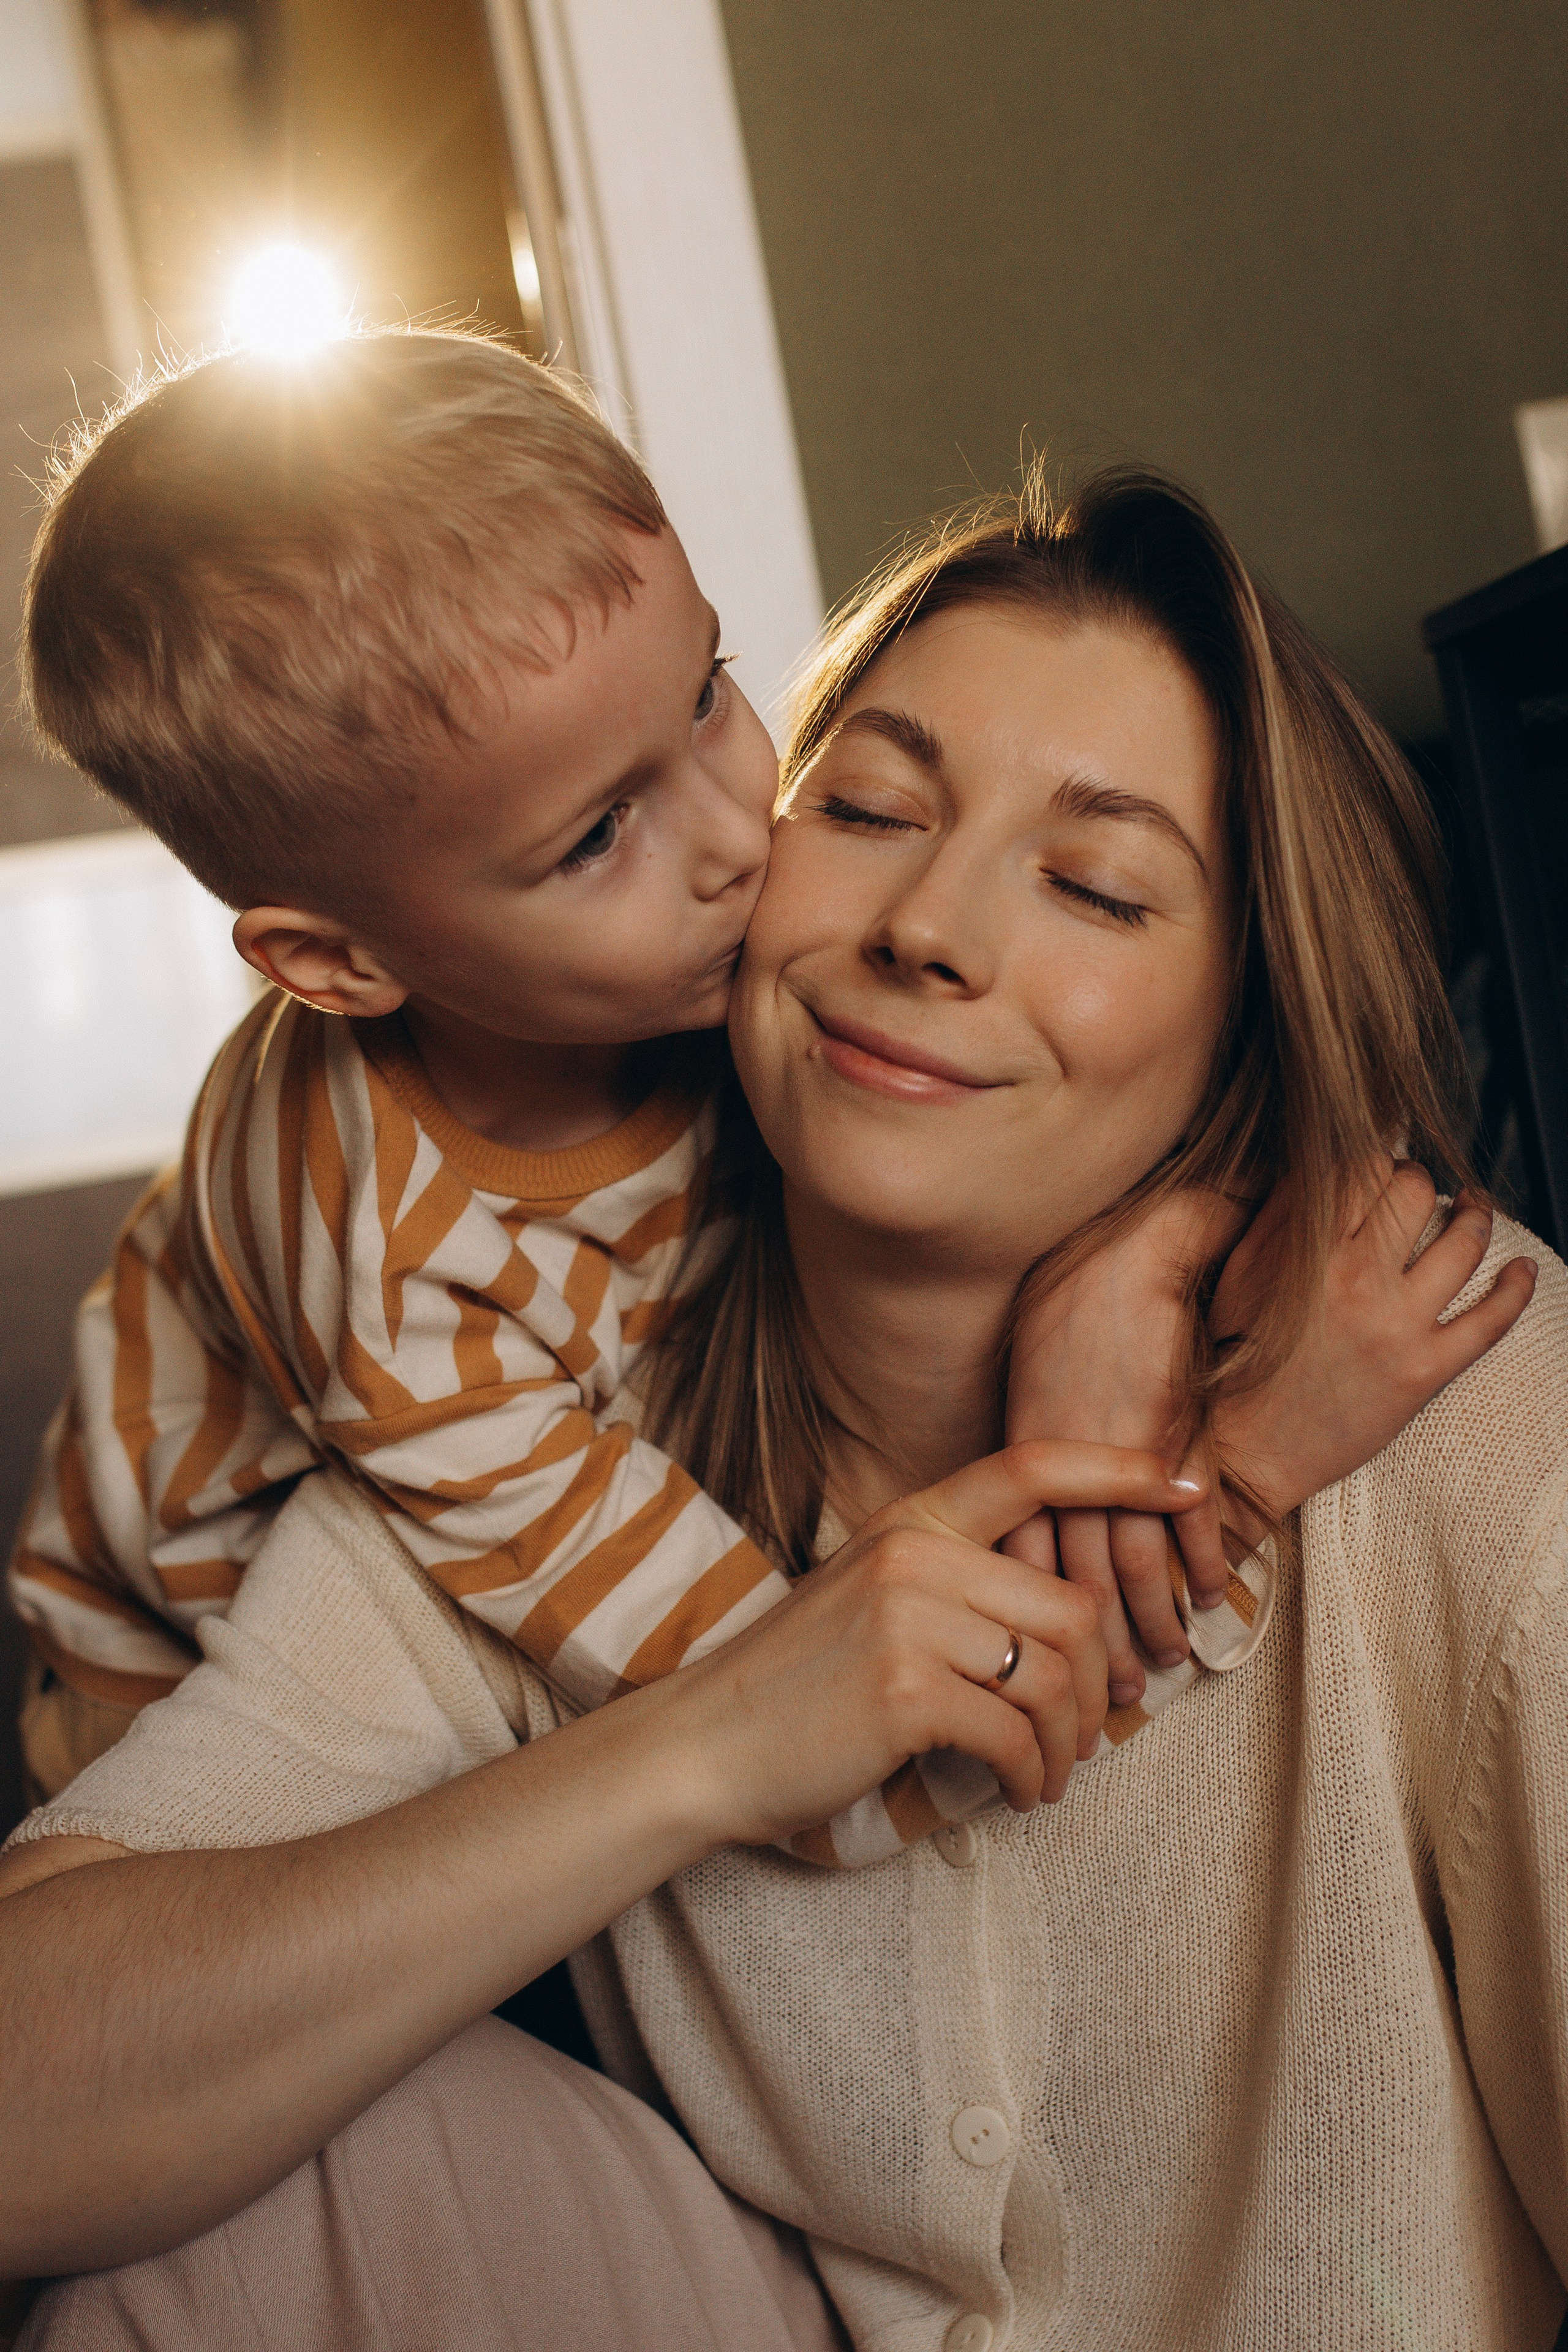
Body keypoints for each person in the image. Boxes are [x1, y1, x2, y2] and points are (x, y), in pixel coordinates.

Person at [1, 466, 1551, 2349]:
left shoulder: (1455, 1387)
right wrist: (709, 1743)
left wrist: (1199, 1453)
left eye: (1097, 884)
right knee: (222, 2171)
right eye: (876, 806)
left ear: (1249, 1012)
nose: (928, 926)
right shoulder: (506, 1423)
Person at [12, 328, 1221, 1860]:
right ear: (338, 962)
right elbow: (819, 1759)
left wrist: (1151, 1251)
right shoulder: (402, 1292)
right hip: (161, 1673)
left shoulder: (664, 953)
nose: (736, 833)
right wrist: (1236, 1480)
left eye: (708, 693)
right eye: (597, 838)